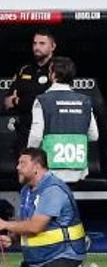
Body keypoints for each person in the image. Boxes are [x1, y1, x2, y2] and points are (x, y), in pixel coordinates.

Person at [0, 148, 105, 267]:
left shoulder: (53, 190)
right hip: (41, 256)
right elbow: (26, 221)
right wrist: (13, 238)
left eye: (22, 163)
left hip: (65, 252)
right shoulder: (26, 191)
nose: (17, 167)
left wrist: (5, 224)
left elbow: (35, 226)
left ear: (37, 167)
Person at [27, 56, 100, 184]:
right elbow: (94, 135)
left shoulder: (42, 100)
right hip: (78, 171)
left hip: (49, 171)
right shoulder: (85, 101)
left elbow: (36, 136)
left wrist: (27, 158)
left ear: (52, 74)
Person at [3, 29, 57, 152]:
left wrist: (18, 102)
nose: (37, 47)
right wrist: (26, 100)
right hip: (25, 129)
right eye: (34, 43)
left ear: (53, 46)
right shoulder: (24, 69)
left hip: (50, 131)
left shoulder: (58, 69)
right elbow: (8, 101)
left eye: (42, 43)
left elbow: (49, 102)